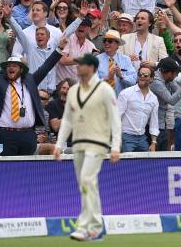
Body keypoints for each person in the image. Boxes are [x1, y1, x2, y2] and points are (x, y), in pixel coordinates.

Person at [53, 53, 121, 242]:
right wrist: (59, 145)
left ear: (91, 67)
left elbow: (115, 119)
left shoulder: (104, 89)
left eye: (81, 64)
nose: (77, 67)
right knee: (87, 184)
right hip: (79, 143)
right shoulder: (74, 90)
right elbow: (67, 119)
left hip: (98, 142)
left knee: (86, 179)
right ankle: (97, 227)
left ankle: (84, 227)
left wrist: (115, 146)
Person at [0, 35, 66, 156]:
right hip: (6, 135)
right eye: (8, 66)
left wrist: (59, 48)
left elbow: (46, 66)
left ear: (21, 69)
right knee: (7, 169)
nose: (11, 68)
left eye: (14, 66)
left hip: (28, 135)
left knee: (27, 170)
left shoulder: (31, 80)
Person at [150, 57, 181, 150]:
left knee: (163, 155)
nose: (177, 75)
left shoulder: (169, 79)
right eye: (176, 72)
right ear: (169, 72)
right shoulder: (155, 81)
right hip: (151, 126)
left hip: (162, 123)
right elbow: (171, 100)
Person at [117, 65, 159, 152]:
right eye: (140, 75)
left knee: (146, 164)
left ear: (151, 79)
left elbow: (154, 122)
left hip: (142, 138)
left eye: (145, 75)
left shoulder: (153, 99)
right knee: (127, 164)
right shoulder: (126, 93)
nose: (142, 77)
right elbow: (116, 116)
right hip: (125, 137)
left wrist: (153, 142)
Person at [96, 30, 137, 95]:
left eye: (110, 41)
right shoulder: (96, 59)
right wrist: (107, 78)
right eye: (105, 41)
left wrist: (121, 76)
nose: (106, 43)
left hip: (121, 99)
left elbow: (133, 80)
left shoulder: (125, 59)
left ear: (117, 44)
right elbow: (92, 83)